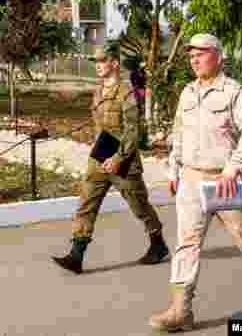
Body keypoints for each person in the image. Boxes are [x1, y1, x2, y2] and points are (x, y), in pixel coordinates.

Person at [149, 33, 242, 332]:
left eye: (201, 53)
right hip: (191, 178)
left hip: (224, 180)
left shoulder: (233, 92)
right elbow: (179, 134)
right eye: (191, 55)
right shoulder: (187, 93)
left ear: (218, 56)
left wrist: (233, 169)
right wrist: (174, 171)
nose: (194, 59)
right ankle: (181, 309)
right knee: (187, 244)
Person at [52, 41, 169, 275]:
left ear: (114, 63)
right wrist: (98, 152)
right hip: (100, 156)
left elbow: (132, 130)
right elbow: (99, 126)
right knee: (86, 203)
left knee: (139, 206)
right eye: (96, 61)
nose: (98, 65)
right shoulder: (97, 91)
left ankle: (158, 243)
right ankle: (77, 254)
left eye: (103, 60)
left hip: (123, 161)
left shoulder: (126, 92)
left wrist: (117, 158)